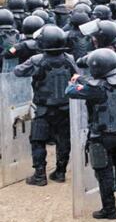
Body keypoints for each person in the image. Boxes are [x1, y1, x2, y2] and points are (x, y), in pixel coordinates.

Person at [66, 49, 116, 220]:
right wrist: (83, 79)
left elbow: (70, 92)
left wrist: (73, 81)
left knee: (104, 173)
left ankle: (109, 210)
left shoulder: (96, 89)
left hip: (102, 137)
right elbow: (98, 84)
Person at [14, 25, 77, 186]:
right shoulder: (68, 58)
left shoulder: (37, 60)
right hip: (65, 107)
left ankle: (40, 175)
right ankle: (60, 172)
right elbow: (78, 75)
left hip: (44, 109)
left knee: (38, 140)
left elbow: (18, 71)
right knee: (63, 140)